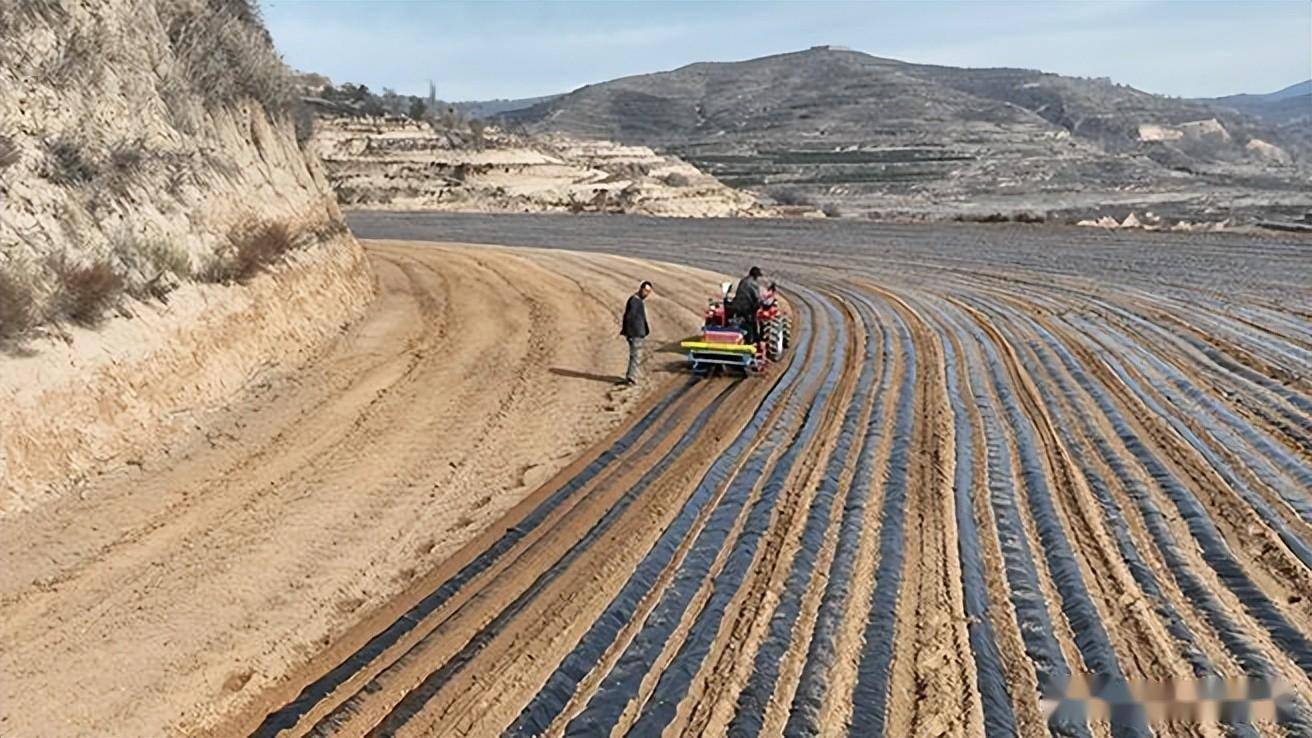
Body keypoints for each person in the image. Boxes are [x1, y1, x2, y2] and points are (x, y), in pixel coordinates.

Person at [619, 281, 653, 385]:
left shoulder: (638, 301)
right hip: (635, 334)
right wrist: (629, 333)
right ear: (641, 289)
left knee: (635, 356)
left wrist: (646, 330)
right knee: (636, 356)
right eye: (645, 291)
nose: (646, 294)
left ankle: (631, 376)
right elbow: (629, 317)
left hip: (638, 333)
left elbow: (640, 318)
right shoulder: (634, 301)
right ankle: (631, 378)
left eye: (649, 292)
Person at [729, 266, 765, 344]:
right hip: (746, 308)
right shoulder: (753, 284)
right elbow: (757, 298)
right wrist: (762, 303)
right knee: (752, 322)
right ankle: (754, 339)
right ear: (756, 276)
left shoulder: (743, 281)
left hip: (736, 305)